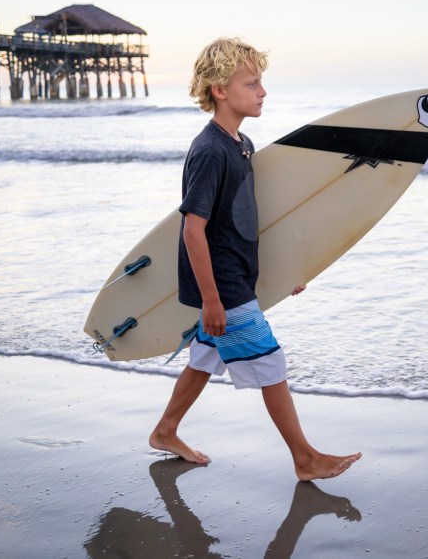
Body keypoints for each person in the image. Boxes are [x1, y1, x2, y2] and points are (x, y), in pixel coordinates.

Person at [149, 37, 361, 481]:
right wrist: (210, 299)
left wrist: (285, 274)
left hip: (235, 275)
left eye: (261, 81)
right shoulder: (210, 150)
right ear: (221, 90)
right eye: (252, 82)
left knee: (205, 357)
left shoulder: (241, 143)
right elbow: (193, 228)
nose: (262, 91)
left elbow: (248, 221)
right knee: (270, 363)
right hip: (222, 284)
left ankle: (166, 430)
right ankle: (304, 458)